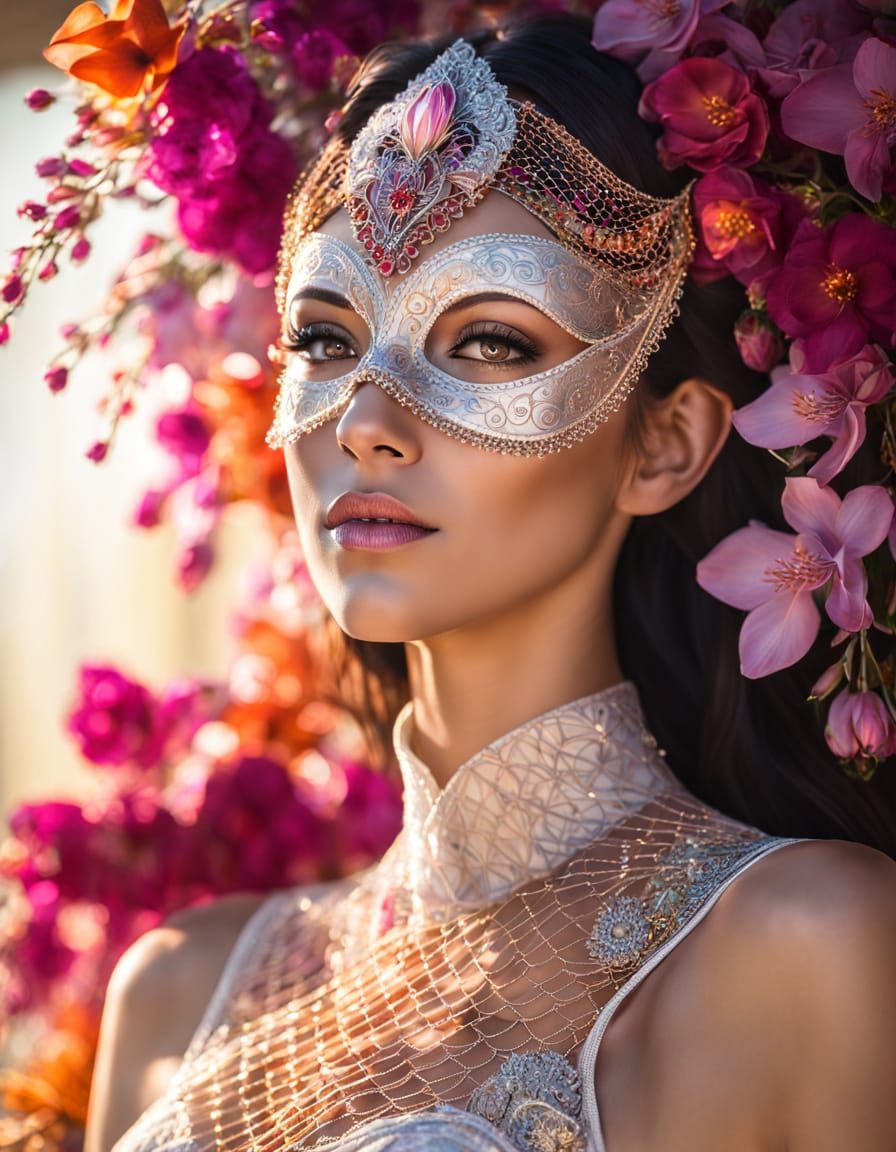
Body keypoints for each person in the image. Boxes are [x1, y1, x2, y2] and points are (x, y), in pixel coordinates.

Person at [85, 15, 896, 1152]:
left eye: (488, 345)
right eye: (324, 339)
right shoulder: (177, 991)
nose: (365, 422)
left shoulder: (808, 944)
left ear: (664, 445)